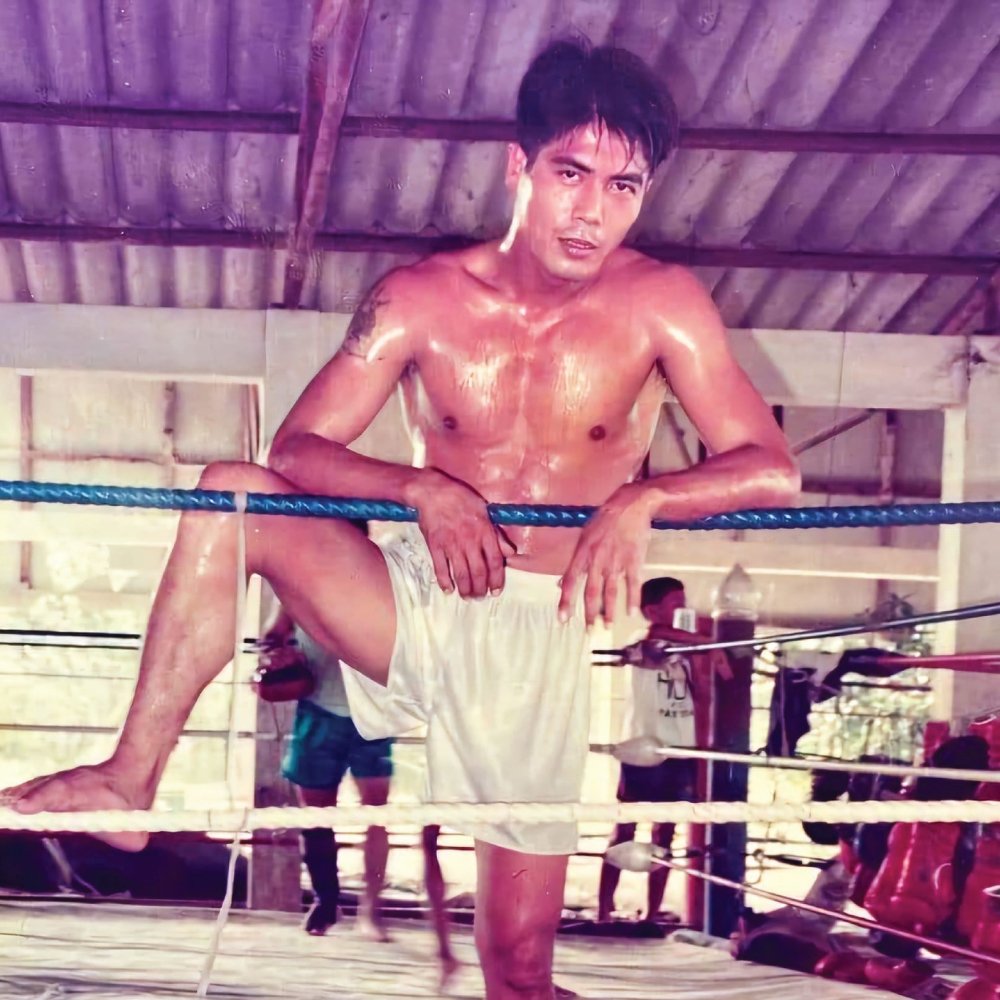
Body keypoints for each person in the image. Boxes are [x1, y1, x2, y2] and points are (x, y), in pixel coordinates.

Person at [3, 40, 798, 1000]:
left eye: (623, 186)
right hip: (417, 594)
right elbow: (298, 447)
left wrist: (645, 498)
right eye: (571, 173)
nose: (593, 211)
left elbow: (771, 467)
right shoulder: (421, 298)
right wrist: (419, 489)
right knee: (231, 495)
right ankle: (130, 778)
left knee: (518, 975)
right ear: (519, 166)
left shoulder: (662, 303)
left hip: (538, 629)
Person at [597, 576, 729, 924]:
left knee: (665, 834)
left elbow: (706, 696)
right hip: (641, 750)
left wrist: (706, 658)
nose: (683, 609)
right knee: (625, 830)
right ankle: (603, 911)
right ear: (653, 610)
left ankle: (652, 914)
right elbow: (657, 636)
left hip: (679, 752)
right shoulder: (643, 644)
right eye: (675, 604)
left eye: (683, 602)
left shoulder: (689, 653)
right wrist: (709, 642)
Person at [259, 603, 394, 939]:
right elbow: (272, 636)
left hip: (374, 713)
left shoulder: (388, 579)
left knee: (377, 813)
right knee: (316, 816)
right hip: (318, 710)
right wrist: (275, 654)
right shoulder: (300, 581)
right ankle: (326, 902)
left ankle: (371, 911)